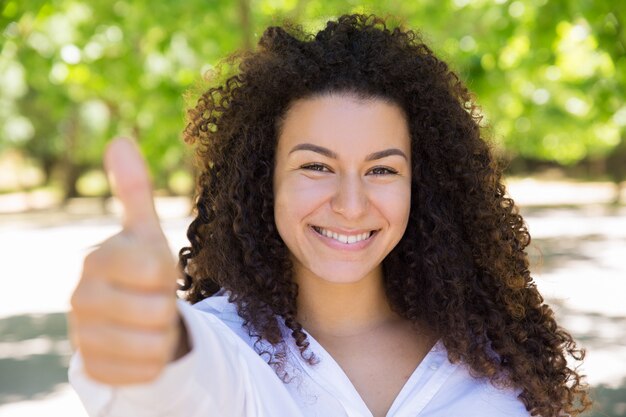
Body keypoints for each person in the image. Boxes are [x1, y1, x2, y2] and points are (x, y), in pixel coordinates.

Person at [68, 14, 591, 417]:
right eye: (316, 165)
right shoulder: (223, 347)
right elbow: (178, 388)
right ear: (263, 180)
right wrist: (156, 340)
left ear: (420, 186)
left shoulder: (493, 358)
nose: (350, 203)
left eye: (382, 170)